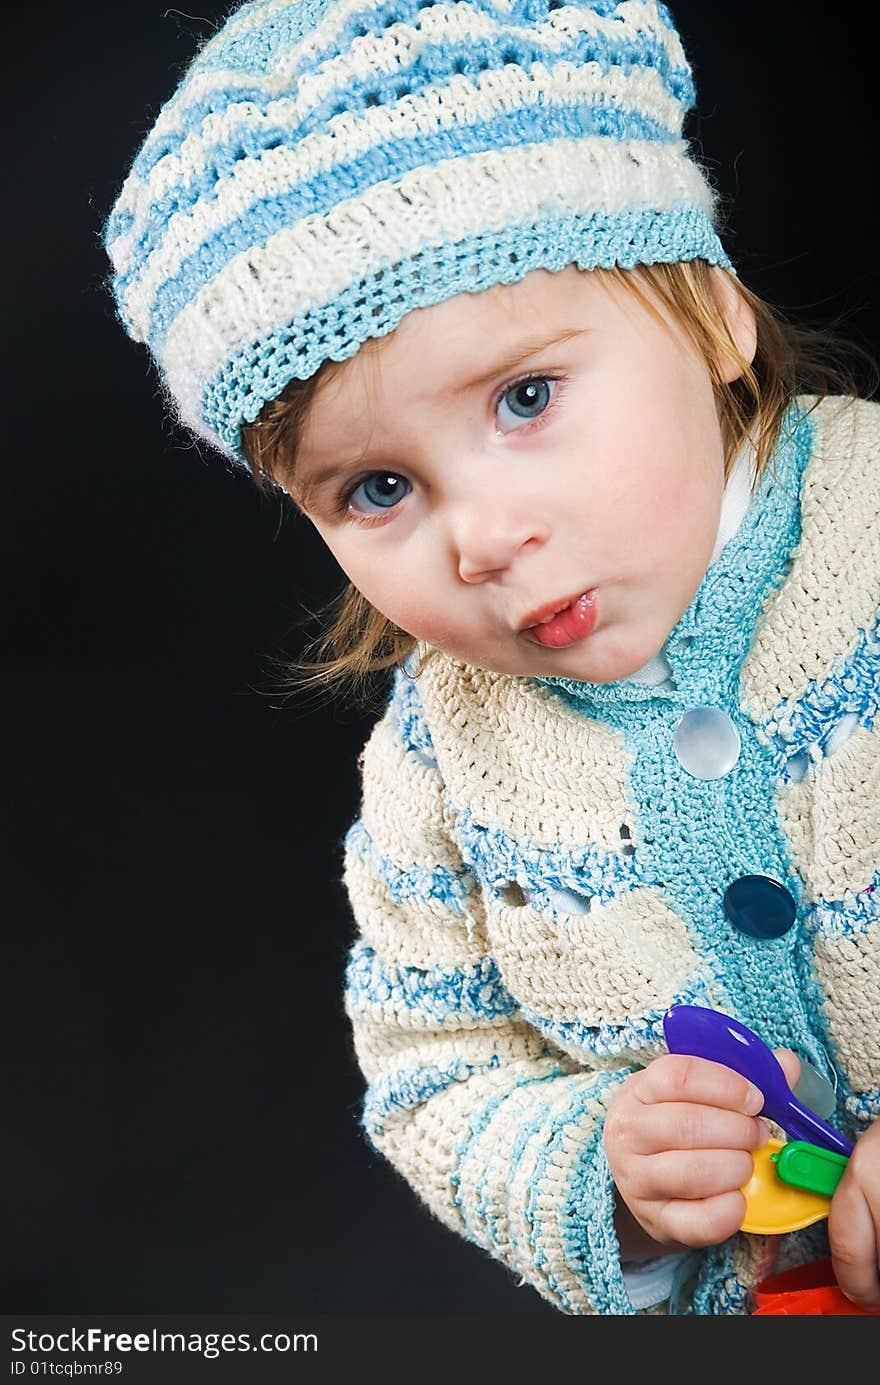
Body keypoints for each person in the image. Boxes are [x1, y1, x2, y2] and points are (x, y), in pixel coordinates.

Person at [101, 0, 879, 1315]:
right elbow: (431, 1063)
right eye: (380, 486)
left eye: (527, 399)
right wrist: (607, 1178)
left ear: (712, 313)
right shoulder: (440, 755)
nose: (483, 538)